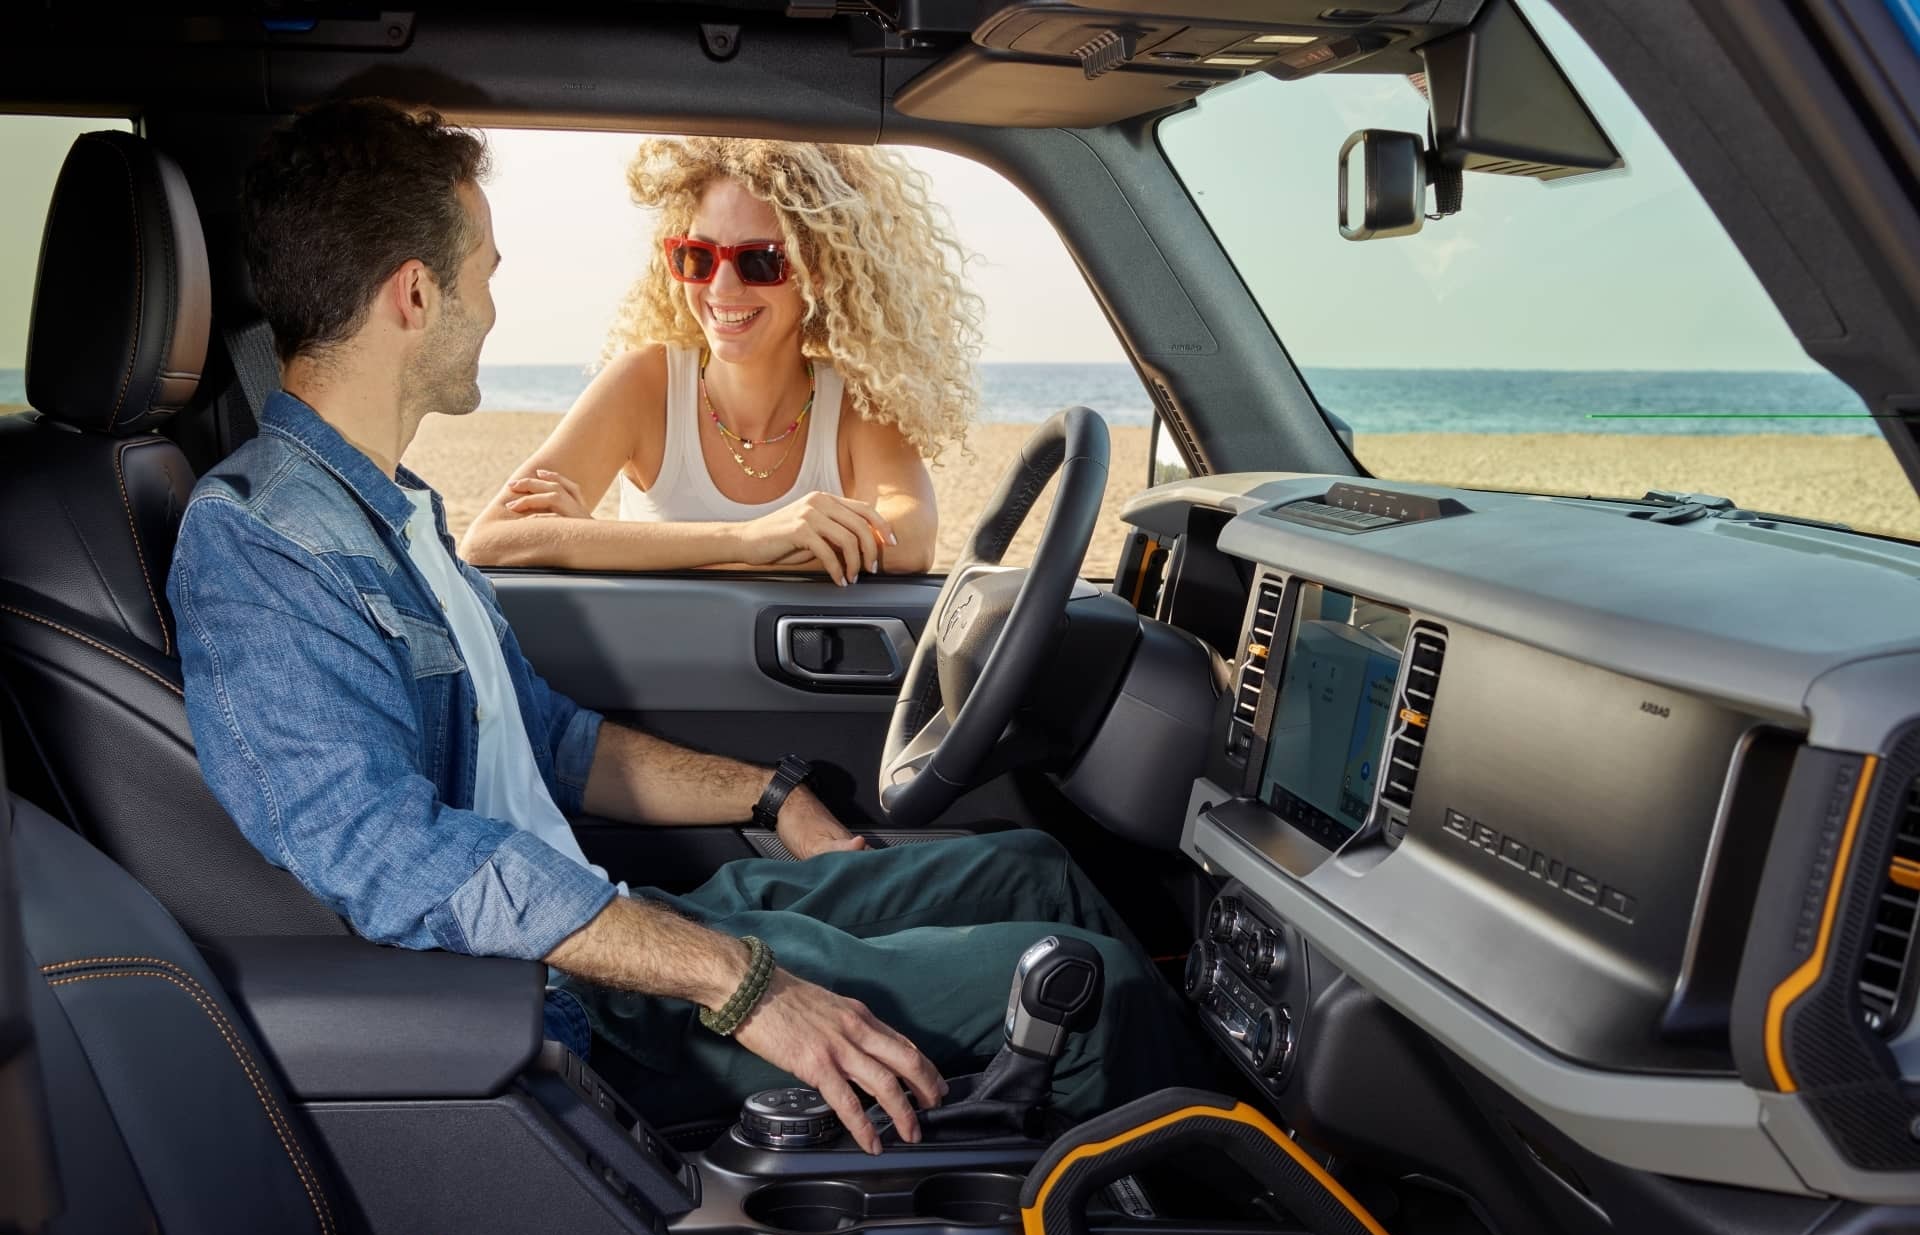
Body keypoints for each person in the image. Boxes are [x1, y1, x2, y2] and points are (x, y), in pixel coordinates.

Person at [169, 100, 1214, 1155]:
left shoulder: (394, 511)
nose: (493, 303)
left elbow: (554, 741)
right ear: (414, 293)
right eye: (483, 270)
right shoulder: (264, 541)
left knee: (1035, 865)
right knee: (1097, 993)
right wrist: (742, 982)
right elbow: (390, 852)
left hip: (614, 931)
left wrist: (770, 793)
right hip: (570, 1002)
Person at [457, 138, 978, 581]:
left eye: (760, 261)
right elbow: (491, 539)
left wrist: (600, 544)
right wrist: (745, 540)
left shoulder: (855, 402)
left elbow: (907, 541)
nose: (721, 288)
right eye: (698, 258)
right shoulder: (646, 382)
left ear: (818, 272)